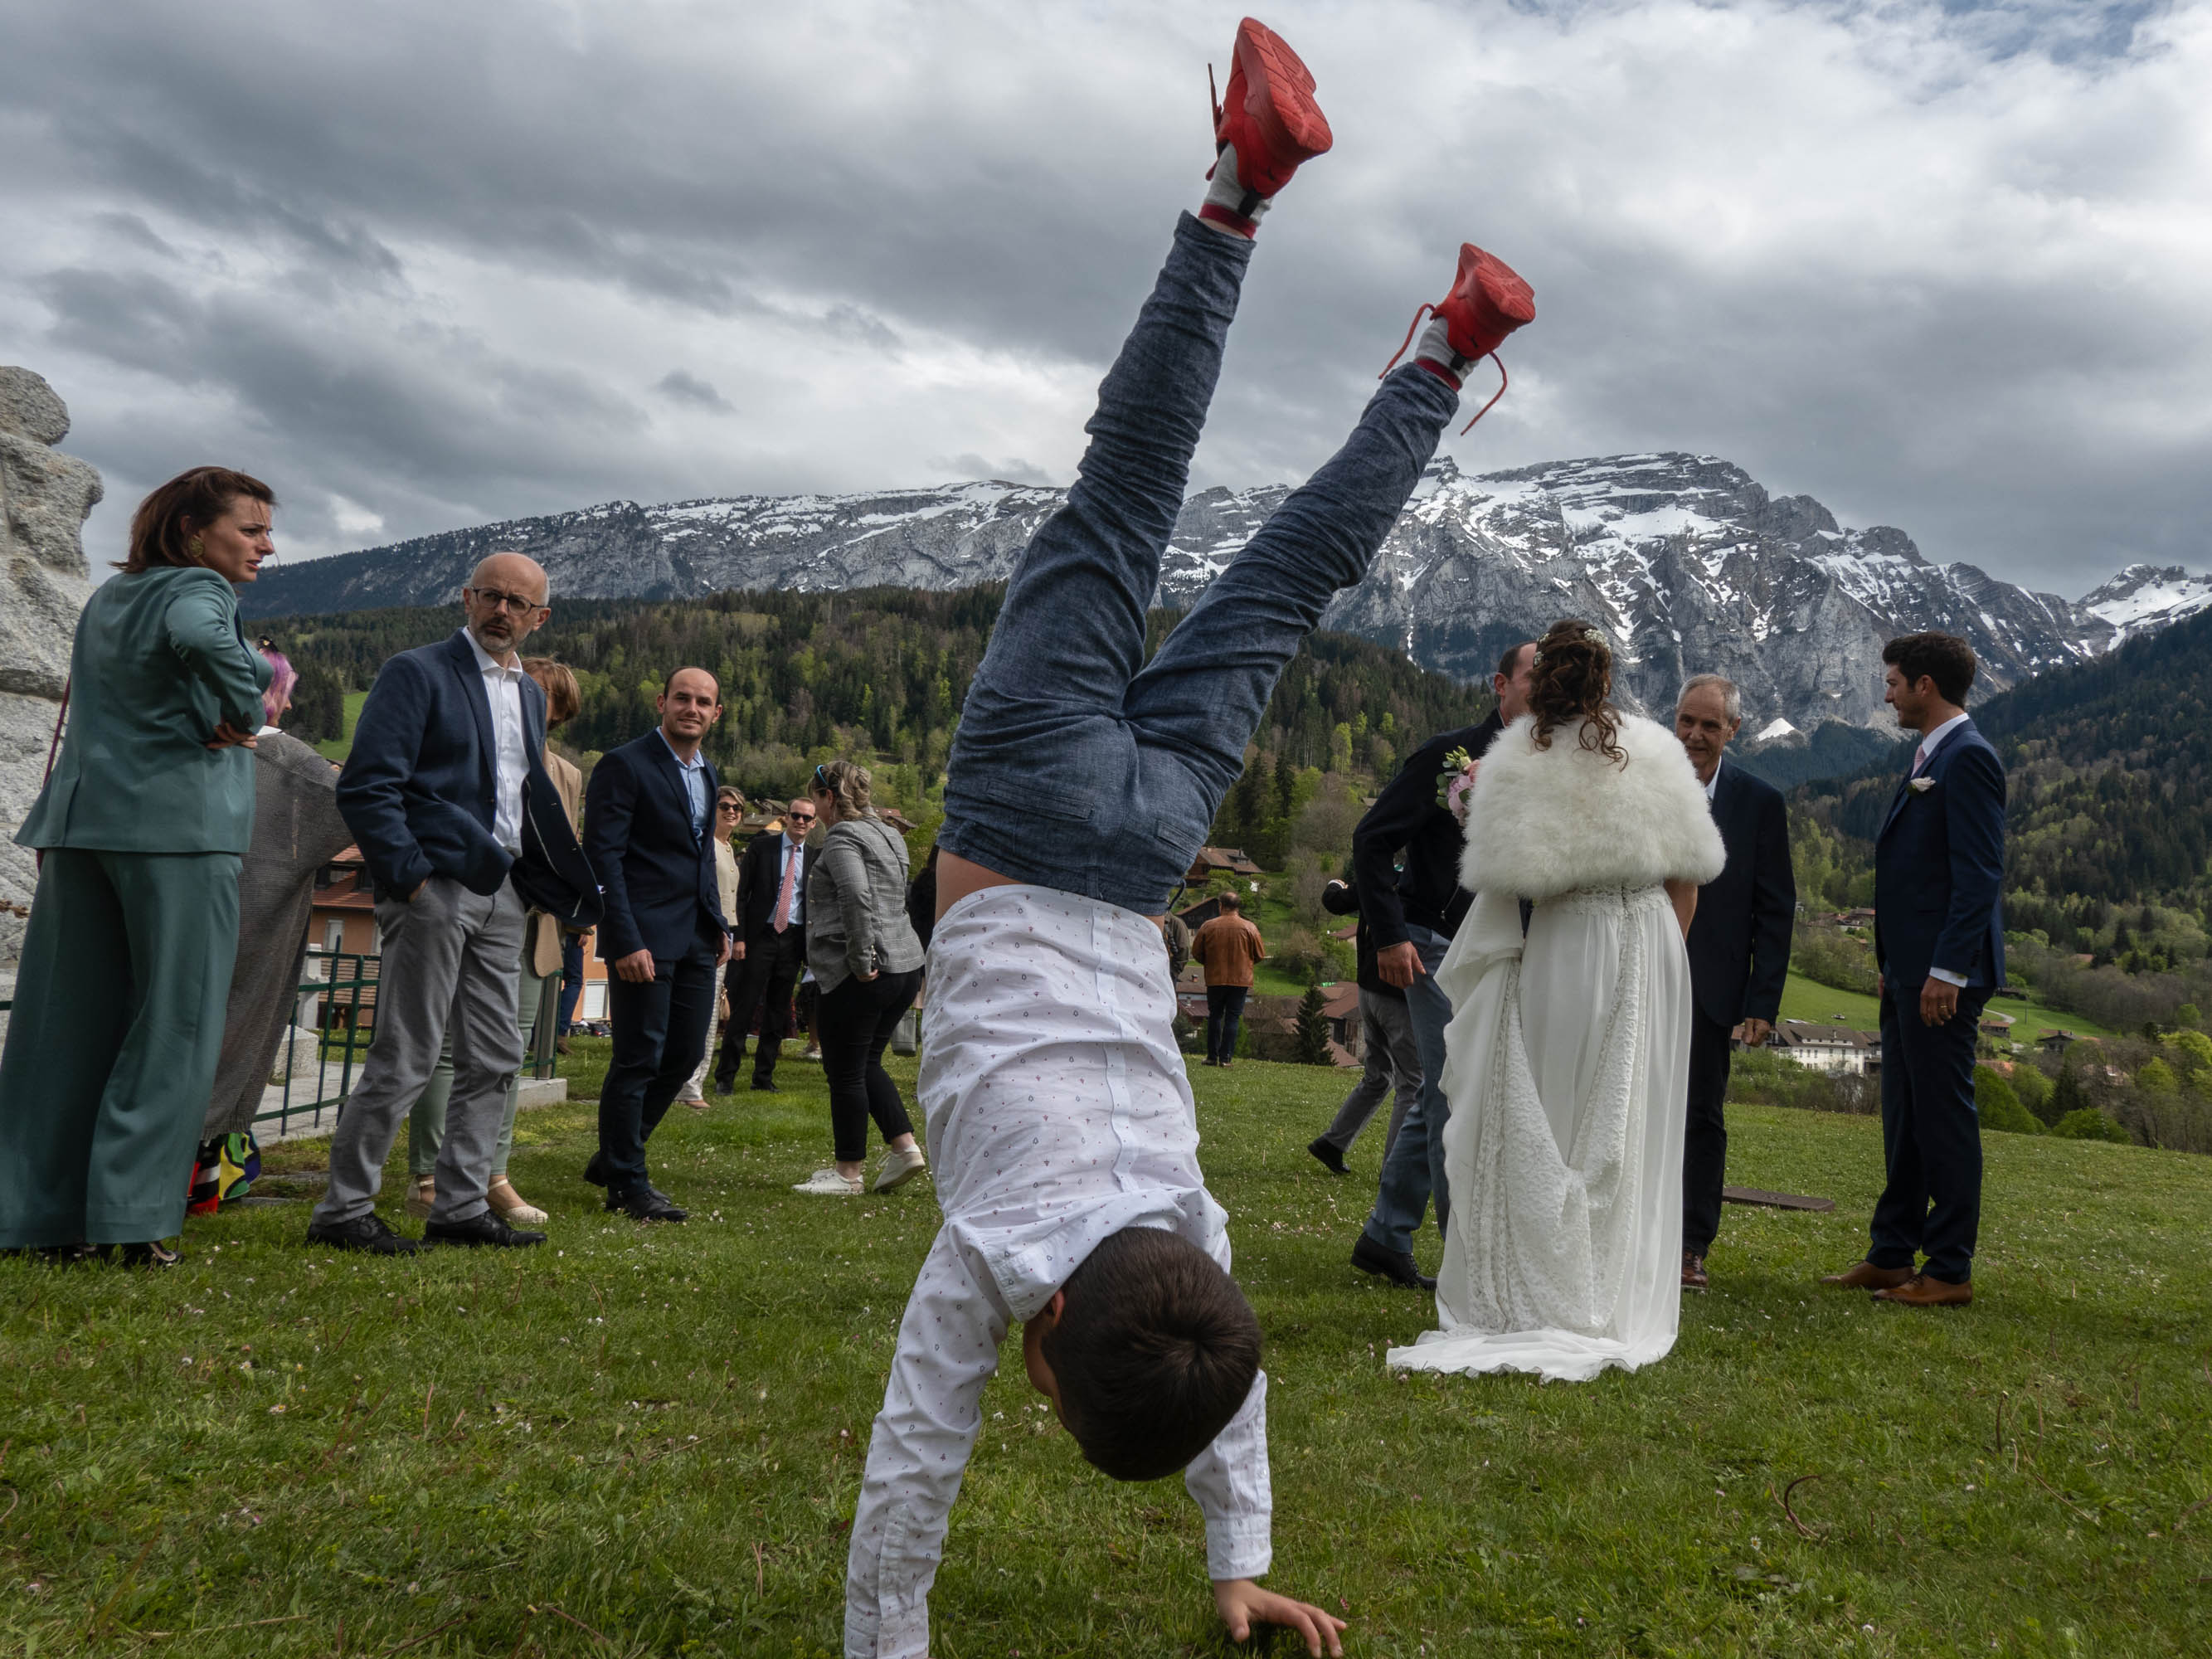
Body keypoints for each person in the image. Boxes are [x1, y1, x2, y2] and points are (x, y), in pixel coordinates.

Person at [847, 22, 1532, 1652]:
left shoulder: (1192, 1231)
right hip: (1019, 823)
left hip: (1147, 849)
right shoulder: (993, 1252)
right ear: (1045, 1338)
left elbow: (1234, 1378)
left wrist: (1241, 1554)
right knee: (1128, 485)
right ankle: (1240, 184)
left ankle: (1449, 346)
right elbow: (908, 1469)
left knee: (1288, 573)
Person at [1388, 620, 1724, 1383]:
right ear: (1607, 683)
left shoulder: (1517, 761)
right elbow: (1689, 877)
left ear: (1542, 686)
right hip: (1650, 942)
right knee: (1630, 1114)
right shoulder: (1657, 752)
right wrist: (1656, 961)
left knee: (1558, 1108)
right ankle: (1613, 1283)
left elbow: (1505, 885)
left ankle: (1553, 1275)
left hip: (1568, 946)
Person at [0, 467, 275, 1264]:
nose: (266, 544)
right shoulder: (200, 586)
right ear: (194, 531)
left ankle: (35, 1214)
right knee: (173, 1025)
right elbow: (196, 633)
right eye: (250, 529)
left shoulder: (109, 599)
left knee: (62, 1025)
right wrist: (246, 705)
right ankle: (127, 1217)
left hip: (85, 825)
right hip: (178, 830)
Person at [305, 553, 600, 1254]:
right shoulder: (417, 672)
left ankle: (461, 1205)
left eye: (517, 603)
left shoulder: (529, 694)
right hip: (433, 886)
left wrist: (543, 882)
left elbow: (522, 798)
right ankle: (343, 1211)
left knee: (498, 1054)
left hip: (503, 891)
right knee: (407, 1052)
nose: (502, 611)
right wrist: (409, 877)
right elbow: (368, 785)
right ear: (466, 599)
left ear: (539, 617)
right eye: (491, 597)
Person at [1821, 632, 2005, 1308]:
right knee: (1903, 1117)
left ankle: (1949, 1267)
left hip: (1941, 979)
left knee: (1942, 1118)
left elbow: (1978, 873)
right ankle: (1891, 1254)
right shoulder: (1932, 755)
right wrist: (1893, 963)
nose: (1887, 692)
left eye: (1894, 681)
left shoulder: (1968, 758)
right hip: (1908, 971)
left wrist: (1946, 972)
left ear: (1926, 685)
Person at [1345, 639, 1534, 1290]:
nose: (1544, 689)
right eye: (1533, 676)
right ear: (1499, 684)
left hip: (1503, 950)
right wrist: (1388, 935)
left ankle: (1384, 1235)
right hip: (1431, 944)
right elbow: (1371, 840)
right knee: (1458, 1090)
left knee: (1441, 1089)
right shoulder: (1449, 757)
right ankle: (1466, 1258)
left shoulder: (1548, 762)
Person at [401, 656, 590, 1227]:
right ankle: (429, 1178)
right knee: (447, 1050)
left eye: (545, 700)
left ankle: (492, 1177)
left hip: (534, 929)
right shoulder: (473, 758)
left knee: (504, 1057)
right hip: (463, 911)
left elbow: (565, 849)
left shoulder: (567, 775)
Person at [192, 643, 352, 1214]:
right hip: (257, 920)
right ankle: (205, 1179)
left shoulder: (184, 738)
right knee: (233, 1037)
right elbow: (350, 804)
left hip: (182, 906)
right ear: (277, 696)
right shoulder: (288, 757)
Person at [581, 668, 733, 1223]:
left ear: (716, 714)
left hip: (694, 933)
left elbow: (698, 858)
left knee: (686, 1052)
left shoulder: (706, 772)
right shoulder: (625, 764)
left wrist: (717, 922)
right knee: (638, 1057)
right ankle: (627, 1183)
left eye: (704, 702)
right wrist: (622, 938)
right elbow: (604, 857)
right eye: (682, 698)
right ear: (661, 702)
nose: (692, 708)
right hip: (642, 936)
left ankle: (614, 1156)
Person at [1672, 674, 1794, 1292]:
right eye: (1685, 720)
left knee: (1699, 1114)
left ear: (1733, 731)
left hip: (1711, 986)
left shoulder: (1759, 803)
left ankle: (1691, 1245)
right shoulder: (1644, 783)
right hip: (1636, 974)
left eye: (1709, 725)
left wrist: (1760, 1002)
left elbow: (1774, 909)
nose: (1693, 735)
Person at [792, 760, 927, 1196]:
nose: (814, 809)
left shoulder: (843, 837)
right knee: (865, 1061)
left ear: (829, 797)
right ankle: (905, 1148)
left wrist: (861, 957)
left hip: (869, 970)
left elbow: (856, 895)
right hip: (906, 965)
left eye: (815, 798)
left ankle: (848, 1172)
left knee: (845, 1068)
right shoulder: (890, 833)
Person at [1305, 874, 1422, 1176]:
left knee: (1378, 1076)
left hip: (1368, 991)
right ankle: (1395, 1172)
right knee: (1413, 1082)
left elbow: (1336, 901)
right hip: (1398, 994)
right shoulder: (1422, 882)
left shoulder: (1385, 875)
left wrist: (1334, 882)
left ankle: (1333, 1143)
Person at [713, 795, 815, 1094]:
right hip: (760, 937)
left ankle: (763, 1078)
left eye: (806, 818)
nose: (800, 821)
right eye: (795, 815)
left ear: (813, 823)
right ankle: (726, 1077)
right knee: (744, 1008)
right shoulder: (763, 848)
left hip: (793, 940)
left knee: (778, 1011)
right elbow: (741, 895)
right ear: (786, 817)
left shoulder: (814, 857)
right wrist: (740, 937)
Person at [676, 786, 746, 1109]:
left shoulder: (728, 848)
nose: (731, 811)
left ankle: (692, 1083)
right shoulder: (705, 844)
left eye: (738, 808)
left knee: (711, 1012)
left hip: (725, 935)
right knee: (700, 1010)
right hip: (705, 932)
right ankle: (688, 1086)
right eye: (725, 806)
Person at [1192, 890, 1266, 1066]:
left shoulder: (1208, 926)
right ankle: (1226, 1059)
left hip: (1215, 978)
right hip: (1240, 980)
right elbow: (1260, 954)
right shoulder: (1249, 927)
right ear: (1237, 907)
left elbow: (1196, 953)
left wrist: (1210, 964)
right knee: (1233, 1018)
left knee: (1215, 1016)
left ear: (1221, 906)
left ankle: (1212, 1057)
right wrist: (1246, 964)